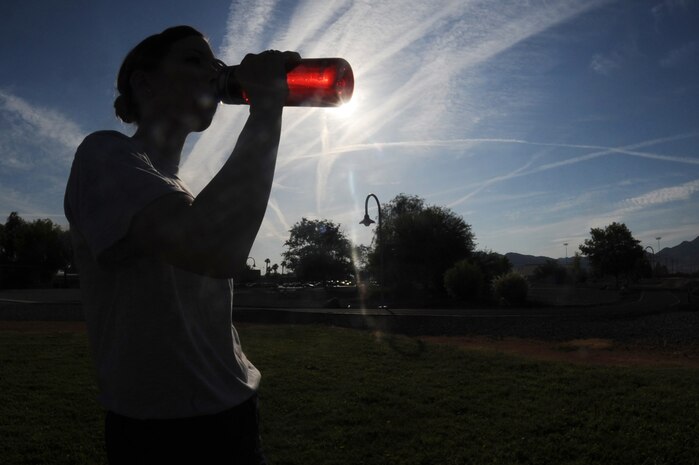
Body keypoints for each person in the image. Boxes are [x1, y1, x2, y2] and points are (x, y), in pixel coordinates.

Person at [64, 25, 299, 464]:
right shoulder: (103, 156)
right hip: (161, 436)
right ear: (144, 82)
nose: (213, 71)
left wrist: (269, 106)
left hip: (234, 414)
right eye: (194, 60)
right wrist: (266, 107)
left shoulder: (178, 192)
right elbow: (216, 248)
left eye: (214, 63)